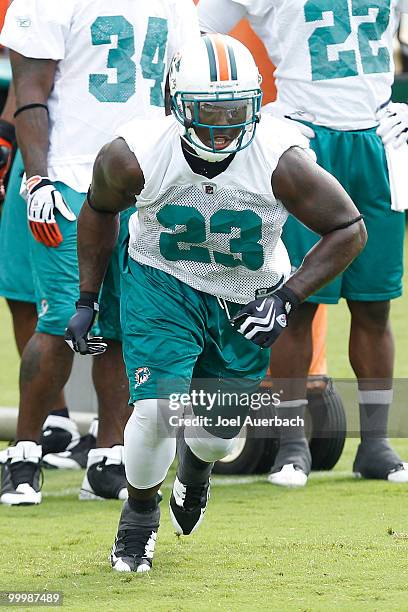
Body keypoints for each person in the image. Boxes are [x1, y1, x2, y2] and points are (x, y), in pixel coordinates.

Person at [65, 34, 366, 572]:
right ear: (175, 104)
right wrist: (88, 297)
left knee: (218, 437)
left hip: (246, 294)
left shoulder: (280, 159)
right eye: (209, 112)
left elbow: (348, 228)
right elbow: (97, 211)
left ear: (256, 106)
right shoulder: (134, 155)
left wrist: (288, 296)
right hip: (164, 281)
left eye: (236, 111)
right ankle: (138, 520)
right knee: (156, 411)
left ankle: (196, 471)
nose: (224, 125)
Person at [198, 0, 408, 487]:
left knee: (374, 303)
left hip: (379, 137)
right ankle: (291, 444)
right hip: (302, 137)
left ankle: (375, 443)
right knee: (294, 300)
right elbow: (196, 34)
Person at [0, 0, 200, 505]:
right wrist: (38, 175)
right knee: (62, 320)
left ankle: (109, 455)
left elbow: (185, 90)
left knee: (123, 322)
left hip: (146, 179)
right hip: (69, 176)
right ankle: (24, 452)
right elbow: (29, 91)